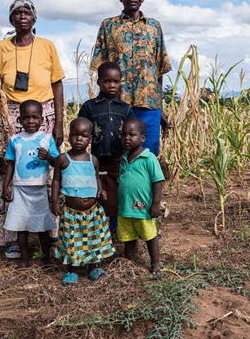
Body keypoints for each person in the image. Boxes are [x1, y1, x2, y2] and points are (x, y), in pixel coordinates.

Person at [0, 0, 65, 260]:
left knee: (46, 171)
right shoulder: (1, 48)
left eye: (27, 12)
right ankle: (11, 236)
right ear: (11, 20)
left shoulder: (47, 46)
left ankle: (50, 233)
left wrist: (60, 124)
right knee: (8, 171)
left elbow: (57, 85)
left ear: (34, 19)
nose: (23, 16)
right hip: (10, 114)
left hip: (44, 113)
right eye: (17, 13)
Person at [91, 0, 172, 157]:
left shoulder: (154, 27)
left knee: (148, 155)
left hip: (149, 106)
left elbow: (159, 69)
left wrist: (160, 108)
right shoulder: (108, 25)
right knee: (117, 155)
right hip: (117, 102)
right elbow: (101, 66)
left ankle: (146, 187)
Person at [52, 118, 115, 285]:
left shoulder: (92, 159)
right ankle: (71, 271)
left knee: (93, 239)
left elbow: (96, 178)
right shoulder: (63, 159)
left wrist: (100, 191)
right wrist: (55, 202)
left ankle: (93, 268)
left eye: (84, 135)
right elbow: (56, 181)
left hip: (92, 211)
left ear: (90, 139)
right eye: (75, 135)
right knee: (72, 240)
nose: (79, 139)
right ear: (69, 136)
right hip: (72, 212)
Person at [2, 100, 59, 269]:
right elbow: (11, 164)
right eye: (26, 118)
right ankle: (24, 259)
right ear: (20, 120)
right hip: (20, 189)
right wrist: (6, 185)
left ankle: (46, 257)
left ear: (42, 120)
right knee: (21, 226)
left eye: (35, 117)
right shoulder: (15, 140)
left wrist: (48, 157)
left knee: (42, 226)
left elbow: (57, 163)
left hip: (39, 188)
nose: (31, 121)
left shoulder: (47, 139)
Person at [78, 61, 134, 233]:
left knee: (119, 192)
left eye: (116, 81)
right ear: (99, 82)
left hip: (120, 159)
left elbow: (131, 132)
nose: (112, 85)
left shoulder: (125, 109)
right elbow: (82, 129)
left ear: (120, 83)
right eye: (107, 81)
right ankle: (101, 230)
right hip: (98, 160)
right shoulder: (89, 107)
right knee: (101, 193)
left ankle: (118, 229)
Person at [117, 118, 165, 275]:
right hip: (125, 208)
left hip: (142, 207)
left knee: (150, 236)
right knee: (128, 238)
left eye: (132, 134)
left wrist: (156, 204)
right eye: (124, 135)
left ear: (142, 138)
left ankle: (155, 264)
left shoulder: (148, 158)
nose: (127, 138)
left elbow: (157, 180)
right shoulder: (124, 158)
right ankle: (129, 263)